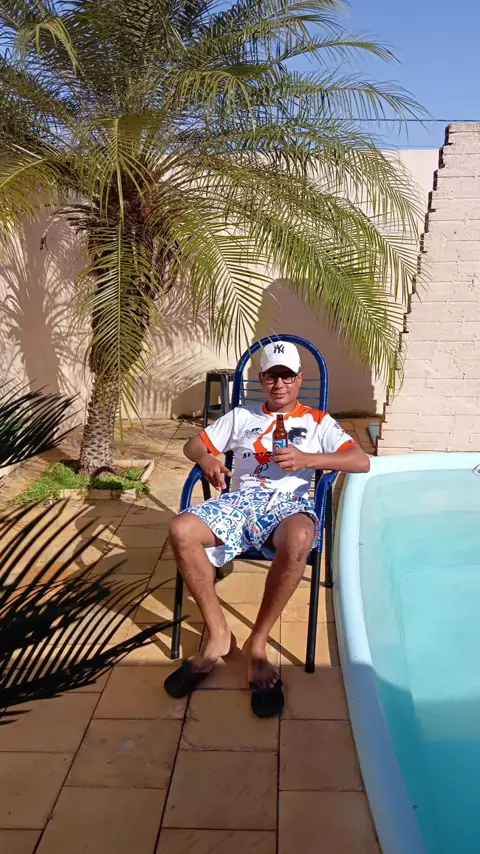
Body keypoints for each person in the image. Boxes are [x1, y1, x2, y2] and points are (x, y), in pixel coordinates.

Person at [164, 341, 370, 717]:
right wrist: (208, 460)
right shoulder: (242, 416)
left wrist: (308, 459)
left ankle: (257, 645)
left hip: (288, 506)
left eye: (287, 376)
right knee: (182, 529)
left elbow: (360, 460)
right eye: (272, 376)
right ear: (261, 379)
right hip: (240, 503)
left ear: (299, 379)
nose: (279, 384)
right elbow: (192, 445)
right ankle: (218, 636)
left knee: (302, 536)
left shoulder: (317, 421)